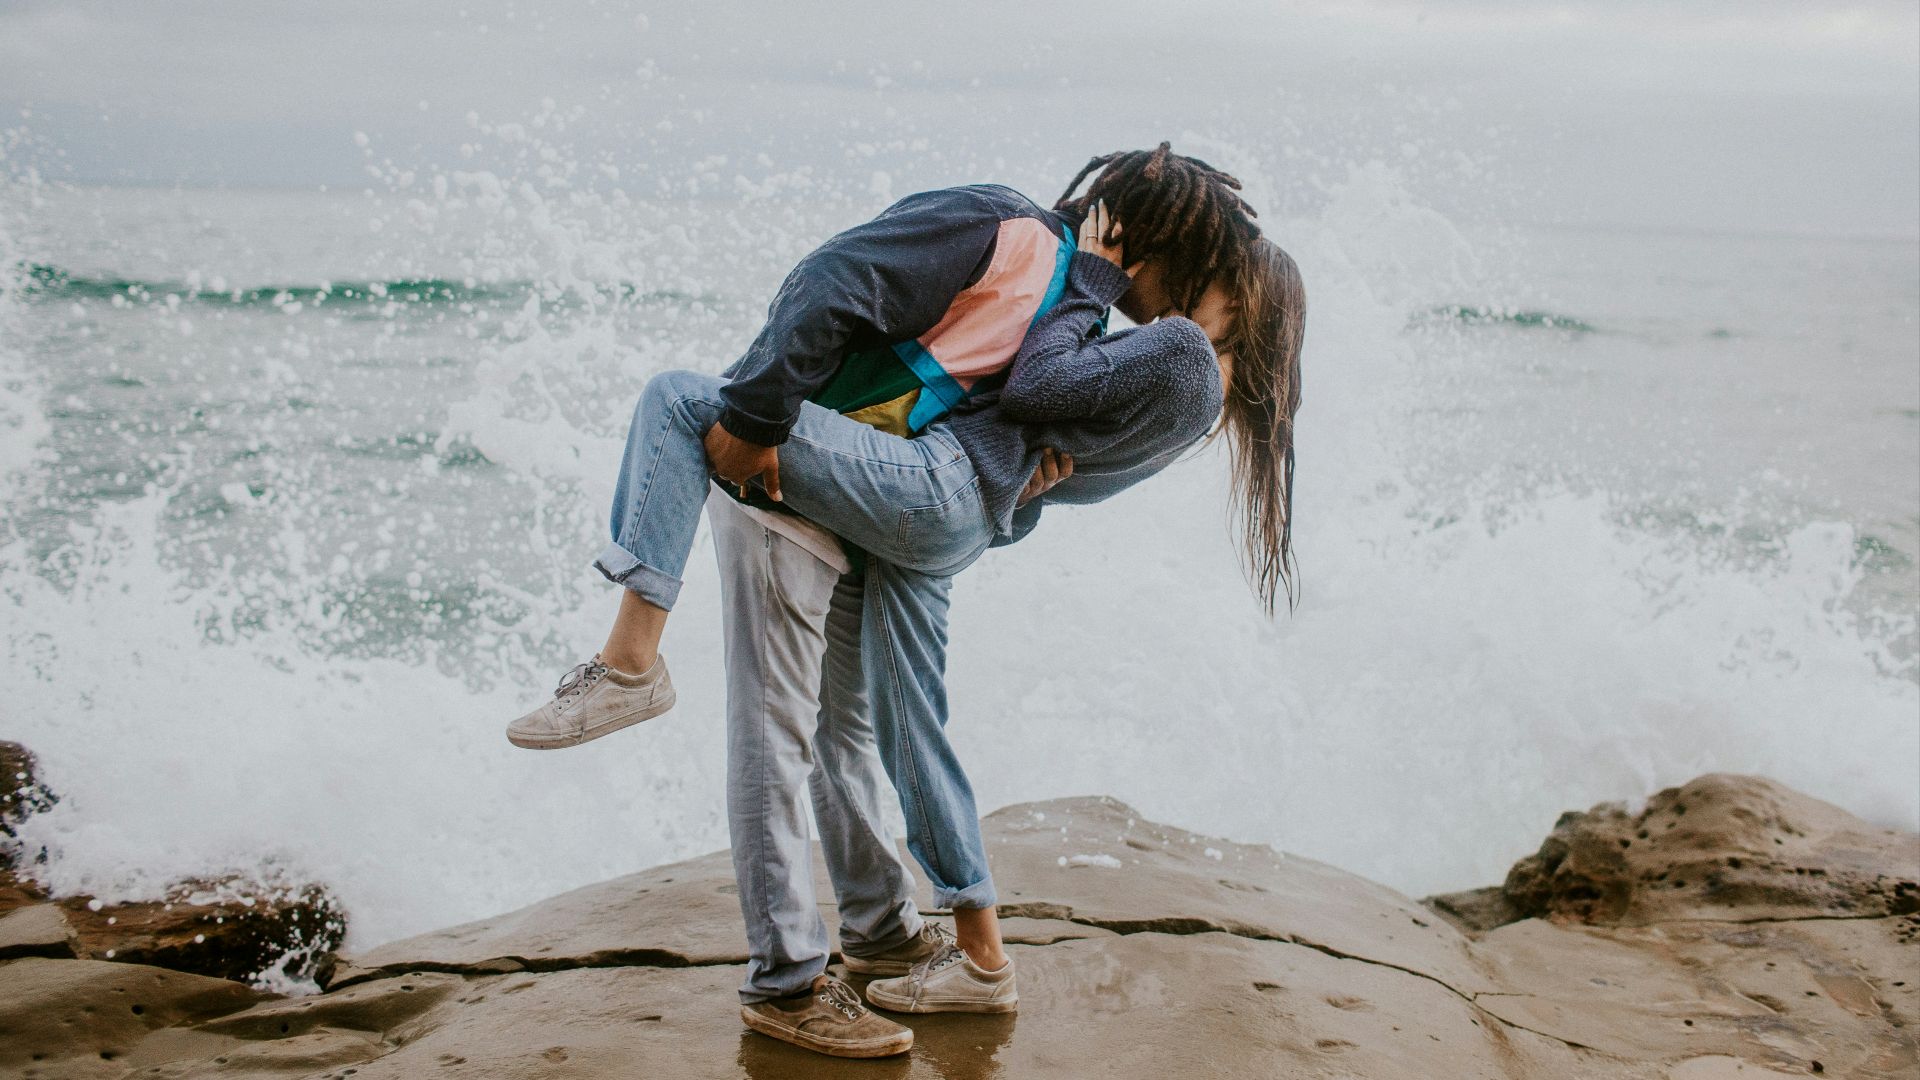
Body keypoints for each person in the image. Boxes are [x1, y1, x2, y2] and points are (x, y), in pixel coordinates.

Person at [501, 146, 1305, 1057]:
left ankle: (635, 669)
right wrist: (1012, 484)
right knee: (883, 729)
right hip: (904, 505)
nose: (1179, 287)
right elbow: (1015, 411)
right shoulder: (1050, 270)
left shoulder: (1139, 329)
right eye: (1195, 257)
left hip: (901, 491)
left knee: (686, 408)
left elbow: (1032, 392)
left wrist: (764, 416)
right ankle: (900, 939)